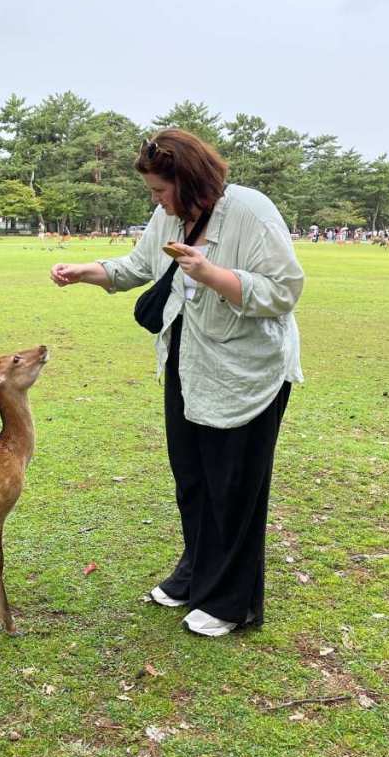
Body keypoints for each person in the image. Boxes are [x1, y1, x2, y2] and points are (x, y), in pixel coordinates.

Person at [50, 129, 304, 637]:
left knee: (233, 487)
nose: (156, 201)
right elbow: (139, 265)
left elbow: (285, 291)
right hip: (188, 361)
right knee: (192, 478)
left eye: (160, 191)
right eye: (152, 193)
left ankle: (231, 602)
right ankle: (195, 575)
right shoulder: (172, 215)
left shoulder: (250, 211)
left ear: (189, 181)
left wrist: (213, 274)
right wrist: (87, 270)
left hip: (247, 372)